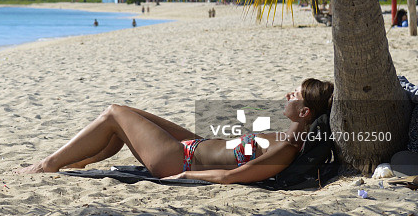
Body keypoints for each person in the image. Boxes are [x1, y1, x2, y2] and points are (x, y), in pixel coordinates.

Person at [18, 78, 333, 184]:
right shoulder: (289, 137)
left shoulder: (287, 148)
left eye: (295, 95)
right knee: (128, 117)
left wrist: (186, 176)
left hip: (180, 161)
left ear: (305, 113)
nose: (288, 95)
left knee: (115, 113)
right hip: (195, 146)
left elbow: (231, 177)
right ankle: (78, 162)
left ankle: (49, 165)